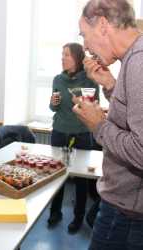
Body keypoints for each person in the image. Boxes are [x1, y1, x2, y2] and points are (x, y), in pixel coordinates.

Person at [74, 0, 143, 249]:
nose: (85, 46)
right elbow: (133, 117)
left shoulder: (139, 62)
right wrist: (111, 85)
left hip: (126, 214)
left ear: (103, 25)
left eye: (85, 35)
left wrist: (98, 125)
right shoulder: (132, 58)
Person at [48, 42, 100, 233]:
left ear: (77, 58)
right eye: (62, 54)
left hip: (82, 134)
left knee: (81, 179)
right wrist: (53, 103)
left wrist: (83, 104)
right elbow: (54, 107)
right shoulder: (57, 80)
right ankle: (55, 212)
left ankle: (78, 218)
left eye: (67, 55)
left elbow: (96, 108)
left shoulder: (90, 81)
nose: (63, 58)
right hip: (59, 132)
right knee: (56, 175)